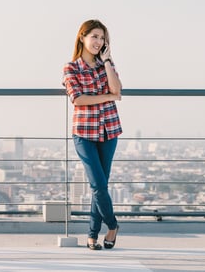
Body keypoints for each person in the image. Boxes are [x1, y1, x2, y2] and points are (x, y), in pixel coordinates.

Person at [62, 19, 122, 251]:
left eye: (102, 38)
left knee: (102, 185)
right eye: (95, 36)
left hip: (109, 130)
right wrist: (107, 97)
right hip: (84, 133)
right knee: (97, 186)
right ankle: (113, 226)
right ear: (82, 37)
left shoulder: (106, 64)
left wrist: (106, 61)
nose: (99, 42)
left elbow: (118, 89)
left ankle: (92, 235)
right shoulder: (71, 67)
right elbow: (77, 99)